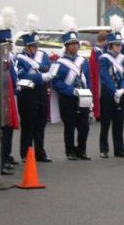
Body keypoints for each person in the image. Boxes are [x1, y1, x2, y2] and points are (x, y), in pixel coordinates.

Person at [52, 15, 91, 160]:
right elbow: (55, 82)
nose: (75, 46)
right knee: (70, 126)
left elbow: (88, 79)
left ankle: (81, 150)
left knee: (84, 126)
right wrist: (71, 91)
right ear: (67, 46)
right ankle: (70, 151)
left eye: (76, 43)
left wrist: (90, 94)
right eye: (72, 44)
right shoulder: (60, 62)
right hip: (68, 98)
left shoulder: (83, 61)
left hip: (83, 96)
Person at [16, 14, 53, 162]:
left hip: (41, 92)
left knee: (40, 125)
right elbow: (22, 75)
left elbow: (47, 67)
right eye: (33, 46)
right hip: (27, 94)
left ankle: (40, 153)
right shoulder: (20, 58)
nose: (35, 49)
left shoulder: (43, 55)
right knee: (28, 125)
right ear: (27, 46)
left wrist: (46, 73)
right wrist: (40, 77)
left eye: (36, 46)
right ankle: (25, 153)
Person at [0, 7, 20, 175]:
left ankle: (6, 158)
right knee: (1, 132)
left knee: (8, 131)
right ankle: (0, 163)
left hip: (9, 98)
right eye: (8, 43)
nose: (11, 45)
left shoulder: (7, 58)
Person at [99, 16, 124, 158]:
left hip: (120, 93)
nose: (119, 47)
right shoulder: (104, 58)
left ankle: (119, 149)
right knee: (105, 122)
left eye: (120, 45)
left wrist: (122, 89)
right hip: (108, 92)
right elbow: (104, 76)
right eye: (116, 45)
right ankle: (104, 149)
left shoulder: (123, 59)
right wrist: (114, 90)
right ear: (110, 45)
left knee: (119, 123)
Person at [89, 30, 108, 121]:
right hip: (98, 75)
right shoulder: (97, 50)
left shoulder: (100, 49)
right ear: (103, 40)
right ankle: (98, 114)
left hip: (100, 73)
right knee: (98, 94)